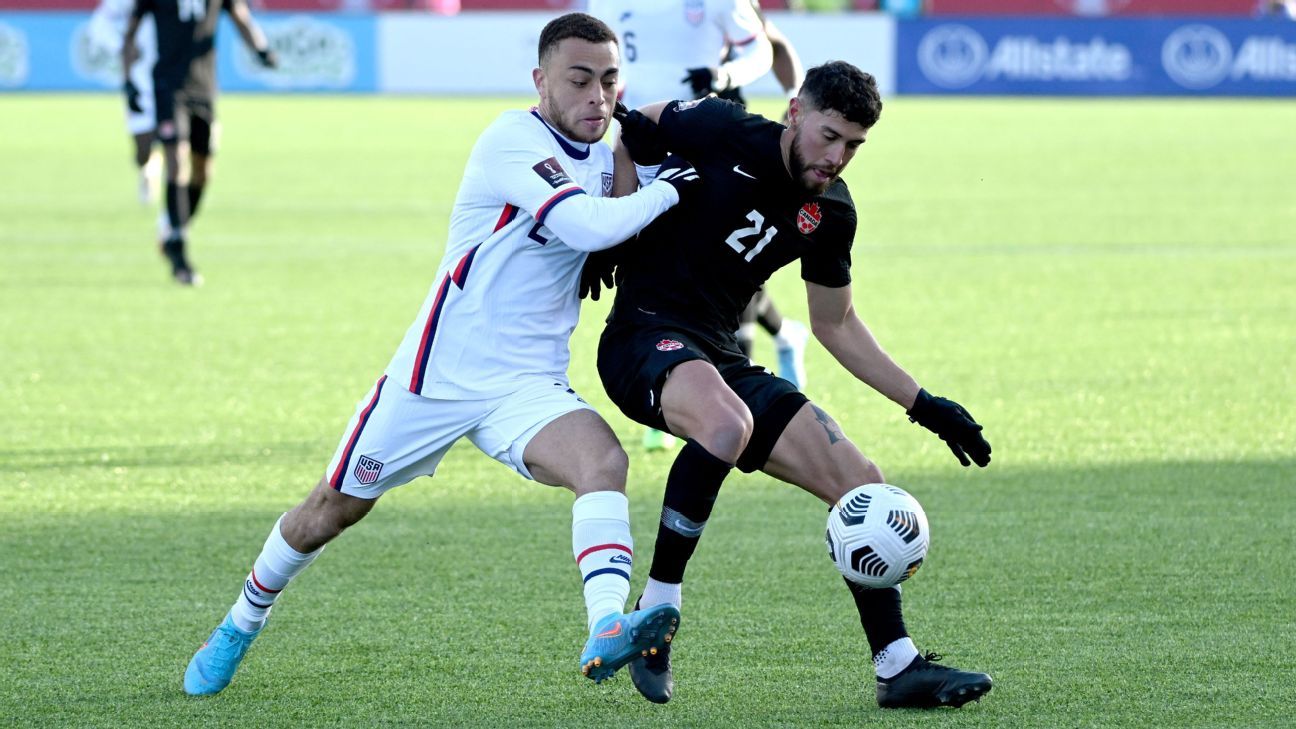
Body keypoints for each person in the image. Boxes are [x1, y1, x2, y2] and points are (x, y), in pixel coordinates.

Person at [179, 12, 695, 697]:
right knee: (329, 509)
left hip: (527, 384)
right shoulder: (511, 139)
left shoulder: (614, 155)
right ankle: (240, 622)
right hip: (436, 376)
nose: (596, 95)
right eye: (578, 80)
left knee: (604, 460)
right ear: (541, 80)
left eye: (608, 80)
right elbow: (582, 223)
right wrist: (669, 188)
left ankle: (606, 624)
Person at [593, 61, 995, 709]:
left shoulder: (831, 211)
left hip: (722, 357)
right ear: (795, 113)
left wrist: (924, 405)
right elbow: (636, 131)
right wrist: (611, 226)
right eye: (829, 136)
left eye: (855, 146)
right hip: (642, 336)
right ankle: (657, 613)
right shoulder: (724, 128)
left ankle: (897, 665)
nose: (837, 157)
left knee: (862, 482)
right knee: (725, 425)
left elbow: (835, 325)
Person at [588, 0, 810, 400]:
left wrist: (725, 74)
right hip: (637, 137)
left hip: (705, 142)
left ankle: (716, 386)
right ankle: (682, 364)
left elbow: (766, 44)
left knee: (721, 258)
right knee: (651, 255)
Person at [122, 0, 277, 286]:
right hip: (168, 86)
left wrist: (261, 49)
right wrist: (128, 80)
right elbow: (130, 33)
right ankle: (179, 251)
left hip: (204, 88)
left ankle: (173, 227)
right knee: (176, 161)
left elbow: (241, 17)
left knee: (203, 171)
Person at [88, 0, 162, 205]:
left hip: (175, 74)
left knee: (177, 136)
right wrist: (121, 46)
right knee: (142, 149)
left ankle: (174, 208)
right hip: (139, 77)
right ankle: (149, 165)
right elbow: (98, 25)